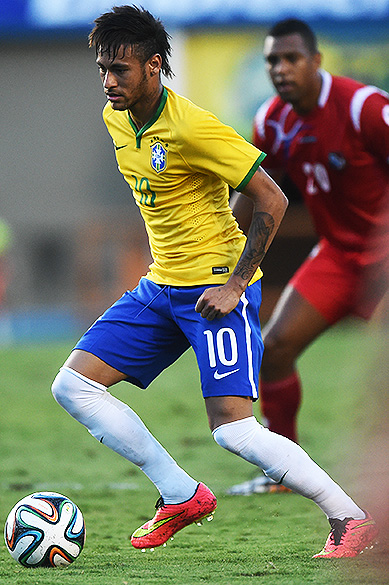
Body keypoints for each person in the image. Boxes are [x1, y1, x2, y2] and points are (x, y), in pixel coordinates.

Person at [51, 6, 379, 558]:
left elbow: (272, 197)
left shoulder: (193, 126)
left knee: (233, 431)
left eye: (120, 71)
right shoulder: (117, 117)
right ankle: (180, 494)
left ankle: (351, 518)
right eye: (103, 69)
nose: (109, 81)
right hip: (161, 286)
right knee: (73, 386)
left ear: (154, 66)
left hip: (214, 292)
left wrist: (237, 283)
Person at [227, 18, 389, 497]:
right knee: (271, 350)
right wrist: (223, 251)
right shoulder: (271, 120)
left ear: (316, 61)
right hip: (338, 257)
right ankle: (285, 472)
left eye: (291, 58)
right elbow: (254, 194)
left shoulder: (365, 107)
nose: (281, 68)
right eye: (272, 60)